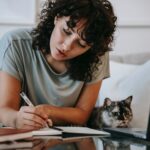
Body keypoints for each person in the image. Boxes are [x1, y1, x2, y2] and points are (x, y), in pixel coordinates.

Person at [0, 0, 117, 129]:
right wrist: (17, 119)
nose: (66, 46)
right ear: (57, 17)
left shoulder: (97, 56)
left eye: (81, 44)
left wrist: (47, 111)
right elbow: (5, 109)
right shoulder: (15, 43)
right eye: (66, 31)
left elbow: (82, 114)